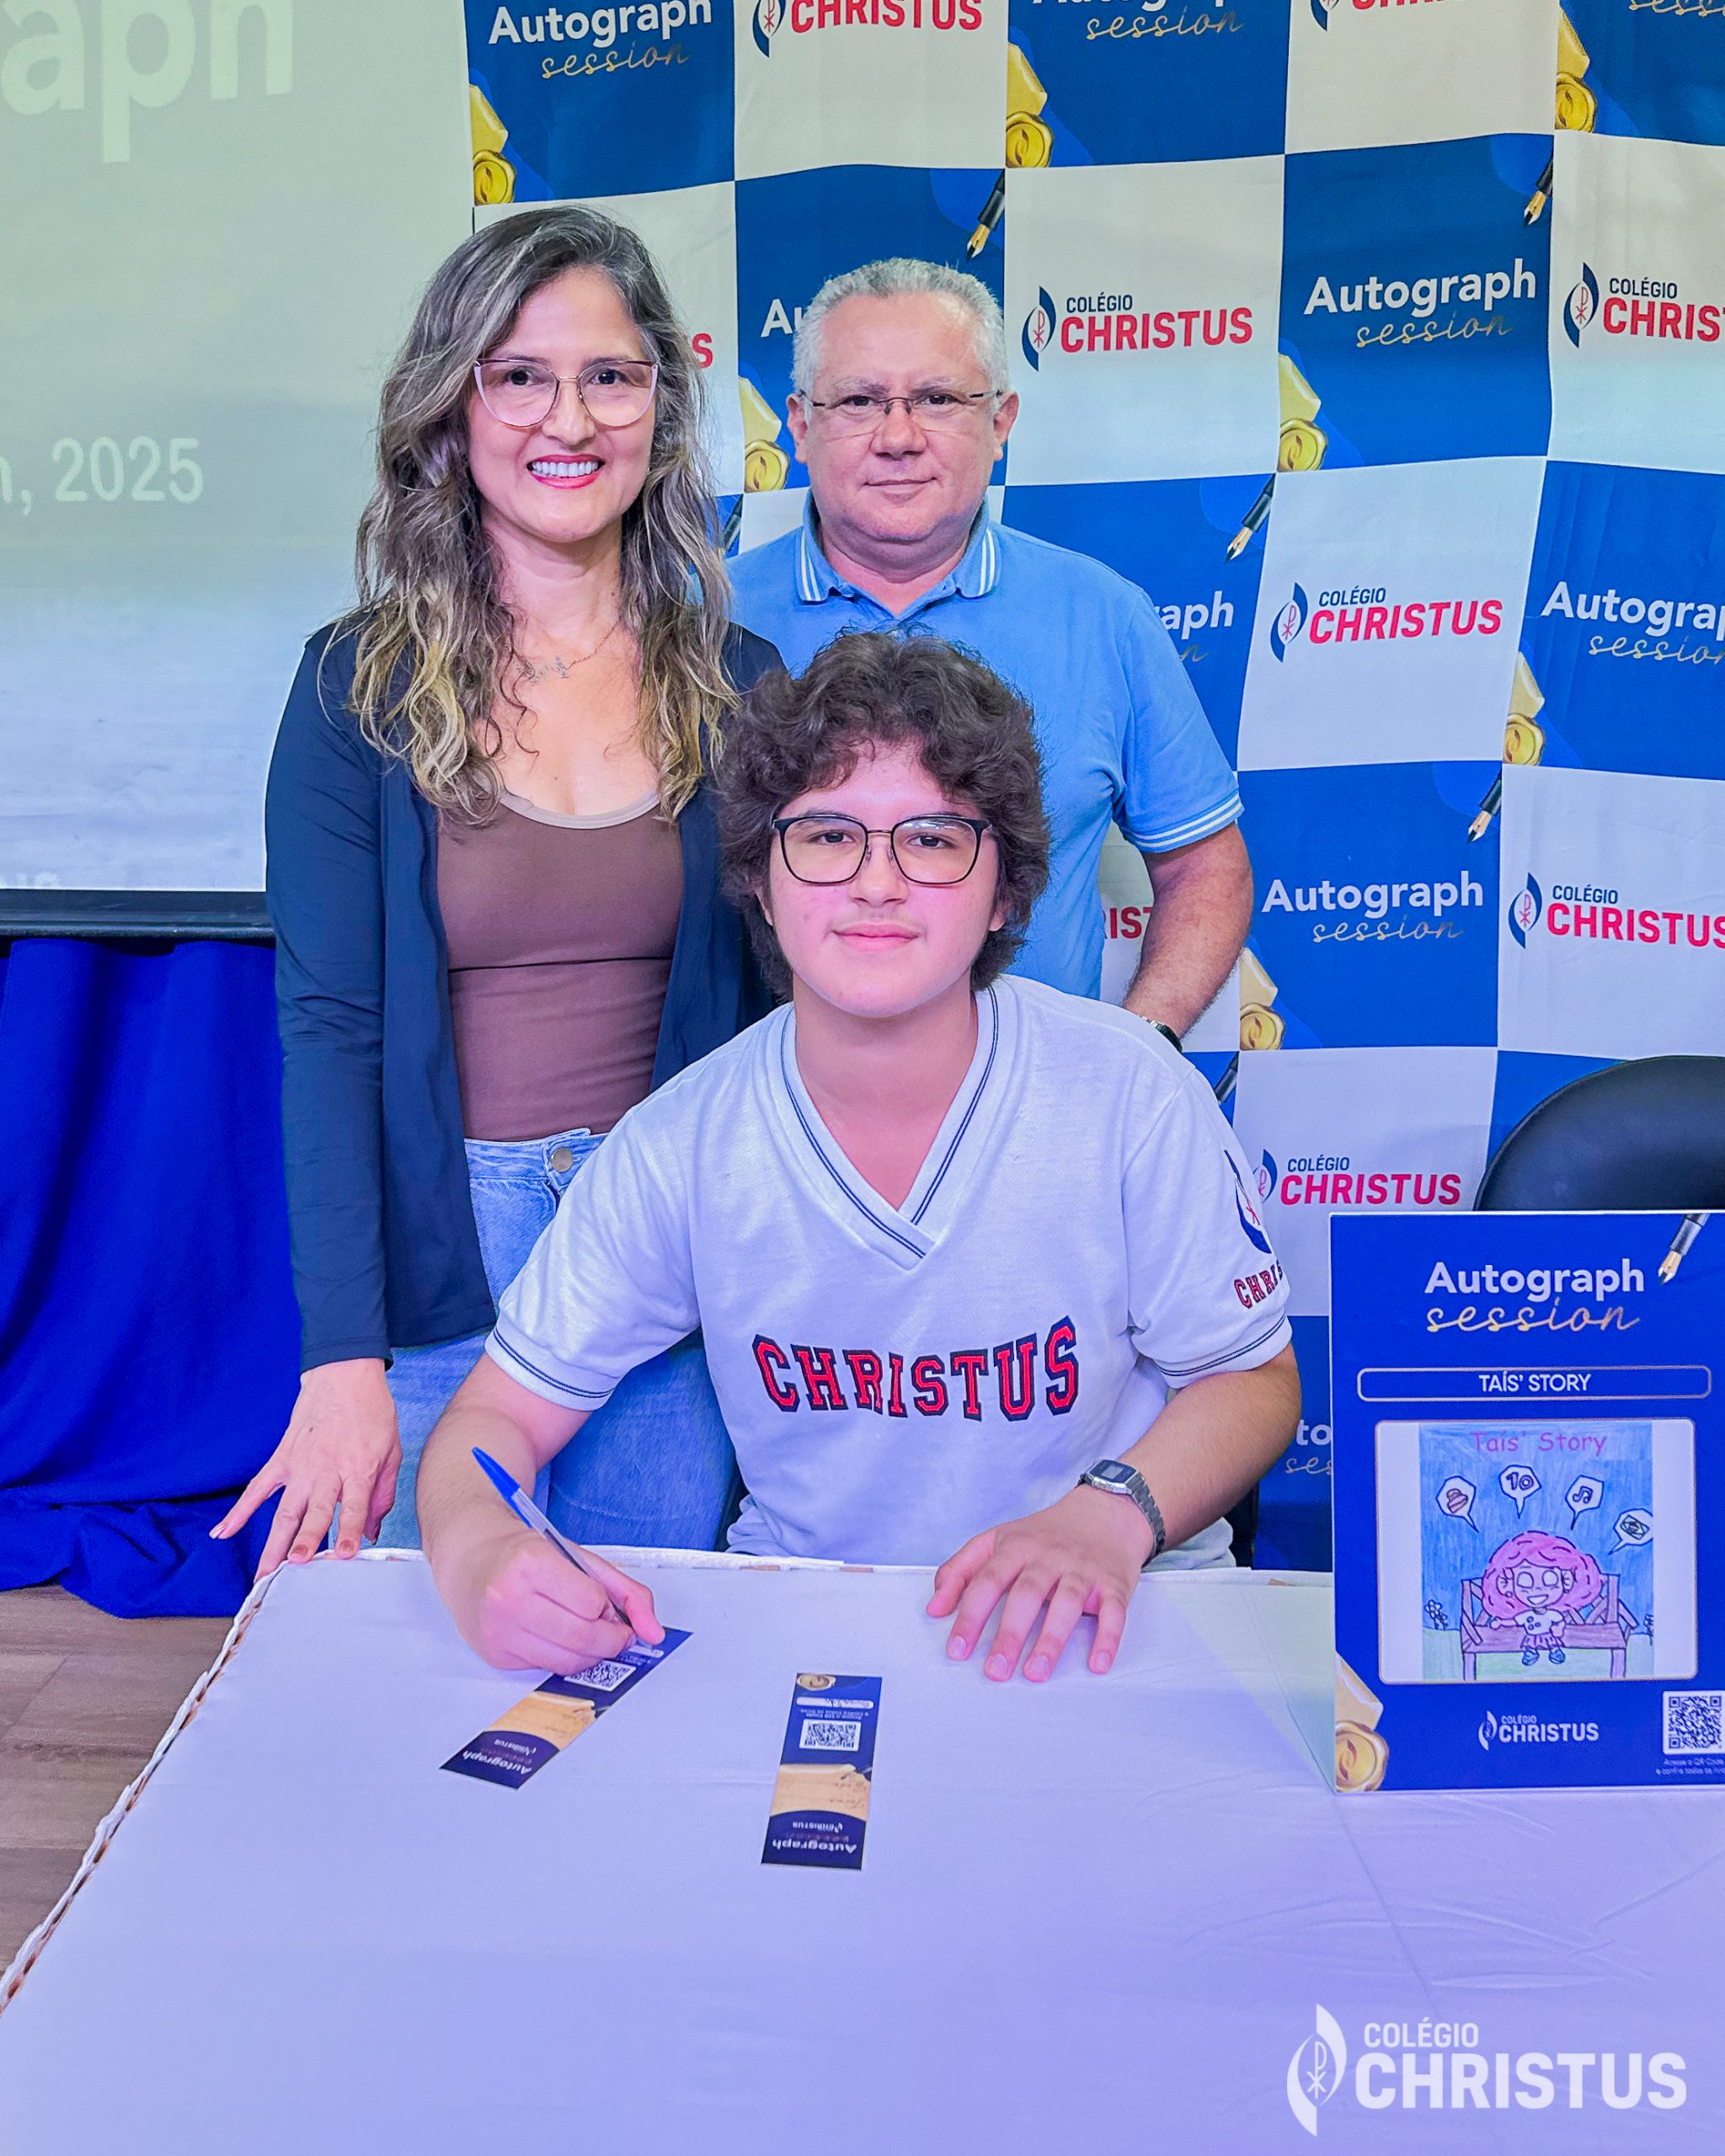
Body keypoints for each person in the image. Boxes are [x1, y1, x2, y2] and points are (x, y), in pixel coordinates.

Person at [417, 633, 1299, 1685]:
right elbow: (493, 1417)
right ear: (760, 878)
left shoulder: (1127, 1093)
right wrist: (478, 1551)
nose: (877, 882)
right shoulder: (681, 1143)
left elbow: (1252, 1380)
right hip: (815, 1631)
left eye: (931, 839)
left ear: (1005, 890)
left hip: (1112, 1620)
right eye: (828, 836)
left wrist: (1110, 1515)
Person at [212, 205, 778, 1578]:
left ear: (660, 404)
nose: (566, 419)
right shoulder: (352, 690)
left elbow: (788, 1026)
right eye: (518, 375)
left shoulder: (745, 685)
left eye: (609, 376)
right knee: (444, 1677)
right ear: (451, 409)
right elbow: (330, 1034)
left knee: (640, 1658)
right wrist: (342, 1359)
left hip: (664, 1259)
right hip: (437, 1262)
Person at [729, 256, 1252, 1043]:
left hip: (1044, 1106)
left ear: (1001, 422)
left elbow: (1203, 864)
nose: (898, 437)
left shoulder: (1103, 616)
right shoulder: (696, 619)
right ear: (800, 426)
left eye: (938, 399)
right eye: (861, 401)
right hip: (760, 1103)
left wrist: (1143, 1050)